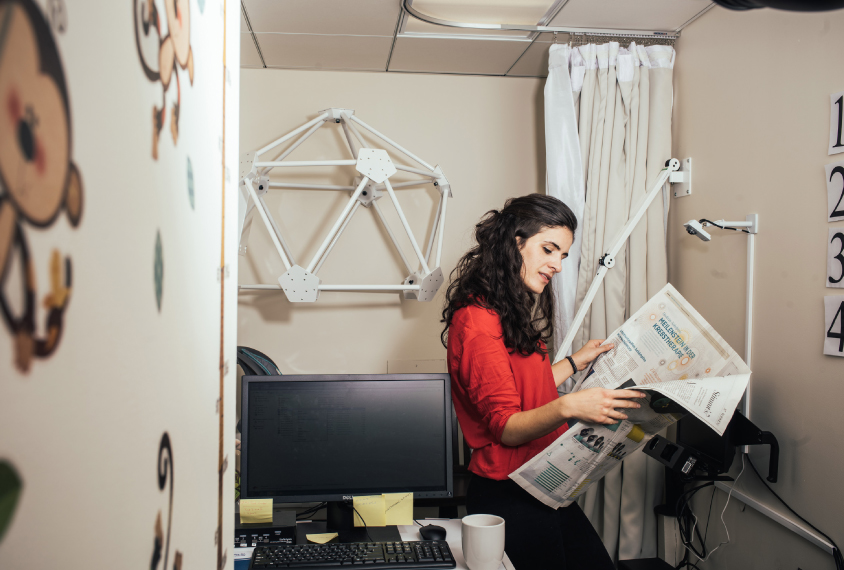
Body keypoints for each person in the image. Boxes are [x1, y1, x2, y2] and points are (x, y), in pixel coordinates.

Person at [441, 194, 646, 569]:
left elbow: (518, 389)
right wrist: (570, 405)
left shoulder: (504, 310)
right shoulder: (477, 322)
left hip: (542, 482)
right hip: (508, 491)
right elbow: (506, 426)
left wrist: (573, 362)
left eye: (563, 255)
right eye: (549, 249)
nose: (557, 265)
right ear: (513, 242)